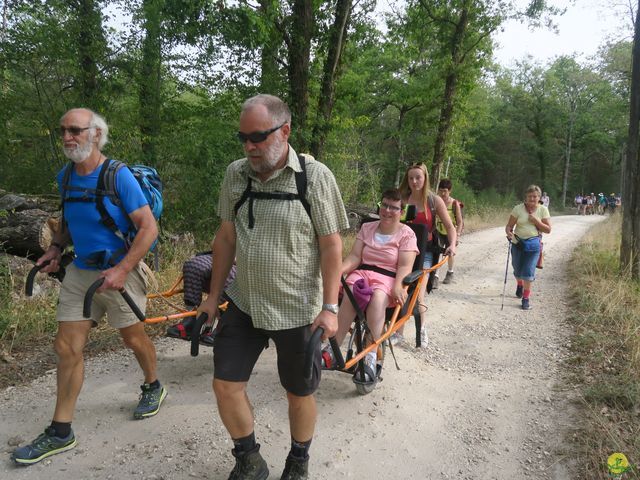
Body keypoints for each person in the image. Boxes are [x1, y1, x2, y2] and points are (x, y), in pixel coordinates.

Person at [197, 94, 348, 480]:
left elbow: (332, 244)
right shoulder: (236, 174)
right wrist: (213, 297)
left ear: (285, 131)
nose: (249, 146)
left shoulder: (314, 177)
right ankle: (249, 460)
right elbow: (226, 237)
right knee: (225, 385)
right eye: (243, 138)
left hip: (298, 309)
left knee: (298, 392)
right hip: (245, 302)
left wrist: (330, 308)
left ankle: (298, 462)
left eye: (258, 137)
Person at [11, 108, 165, 466]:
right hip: (81, 271)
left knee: (132, 338)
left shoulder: (118, 175)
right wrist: (54, 248)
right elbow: (70, 218)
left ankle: (153, 384)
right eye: (63, 130)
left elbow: (148, 228)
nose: (67, 137)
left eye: (75, 131)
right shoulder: (66, 176)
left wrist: (123, 269)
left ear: (96, 135)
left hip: (120, 271)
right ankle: (61, 430)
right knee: (66, 348)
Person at [328, 189, 418, 380]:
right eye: (384, 205)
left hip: (388, 278)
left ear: (401, 211)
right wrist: (339, 271)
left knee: (377, 298)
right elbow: (354, 257)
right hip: (363, 273)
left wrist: (398, 286)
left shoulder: (407, 234)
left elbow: (404, 265)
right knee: (351, 291)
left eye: (394, 207)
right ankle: (332, 350)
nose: (387, 210)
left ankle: (370, 355)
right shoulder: (368, 227)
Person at [395, 163, 456, 347]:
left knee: (418, 294)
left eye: (418, 177)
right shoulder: (403, 199)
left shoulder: (433, 201)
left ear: (425, 178)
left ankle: (421, 331)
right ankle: (398, 332)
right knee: (402, 288)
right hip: (404, 251)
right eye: (411, 178)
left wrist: (452, 244)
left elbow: (450, 226)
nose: (414, 181)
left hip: (426, 251)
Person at [165, 251, 237, 346]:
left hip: (248, 263)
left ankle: (225, 327)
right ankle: (190, 321)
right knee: (193, 266)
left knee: (227, 277)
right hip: (222, 254)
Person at [505, 185, 551, 310]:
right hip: (517, 243)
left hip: (534, 244)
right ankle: (519, 284)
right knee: (517, 269)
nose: (532, 199)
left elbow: (548, 230)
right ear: (525, 197)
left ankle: (526, 298)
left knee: (528, 271)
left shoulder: (543, 210)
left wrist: (536, 221)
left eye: (535, 196)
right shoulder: (518, 209)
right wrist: (509, 233)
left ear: (539, 197)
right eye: (530, 196)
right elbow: (509, 226)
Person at [435, 178, 463, 285]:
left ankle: (450, 272)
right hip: (438, 231)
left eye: (445, 191)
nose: (442, 193)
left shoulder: (454, 204)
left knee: (450, 253)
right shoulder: (436, 202)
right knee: (437, 253)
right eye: (441, 190)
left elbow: (460, 222)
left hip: (451, 233)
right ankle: (436, 276)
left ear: (449, 191)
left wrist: (458, 235)